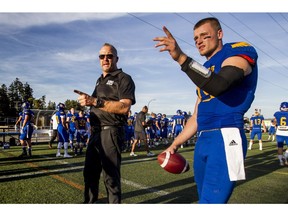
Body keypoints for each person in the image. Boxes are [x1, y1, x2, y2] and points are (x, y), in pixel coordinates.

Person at [154, 17, 258, 203]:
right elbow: (197, 115)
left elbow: (220, 84)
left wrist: (181, 58)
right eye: (195, 39)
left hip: (226, 135)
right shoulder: (204, 70)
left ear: (219, 34)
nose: (198, 41)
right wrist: (175, 144)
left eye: (204, 35)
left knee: (211, 203)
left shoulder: (235, 51)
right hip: (203, 138)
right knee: (203, 199)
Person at [76, 43, 136, 204]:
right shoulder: (99, 80)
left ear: (116, 58)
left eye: (109, 56)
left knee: (110, 179)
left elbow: (124, 107)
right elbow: (97, 106)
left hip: (111, 132)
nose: (105, 59)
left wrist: (94, 101)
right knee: (89, 175)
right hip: (96, 133)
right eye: (102, 56)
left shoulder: (123, 78)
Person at [273, 102, 288, 166]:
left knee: (280, 147)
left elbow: (274, 121)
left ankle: (281, 161)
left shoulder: (277, 113)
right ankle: (285, 155)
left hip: (279, 132)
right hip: (287, 132)